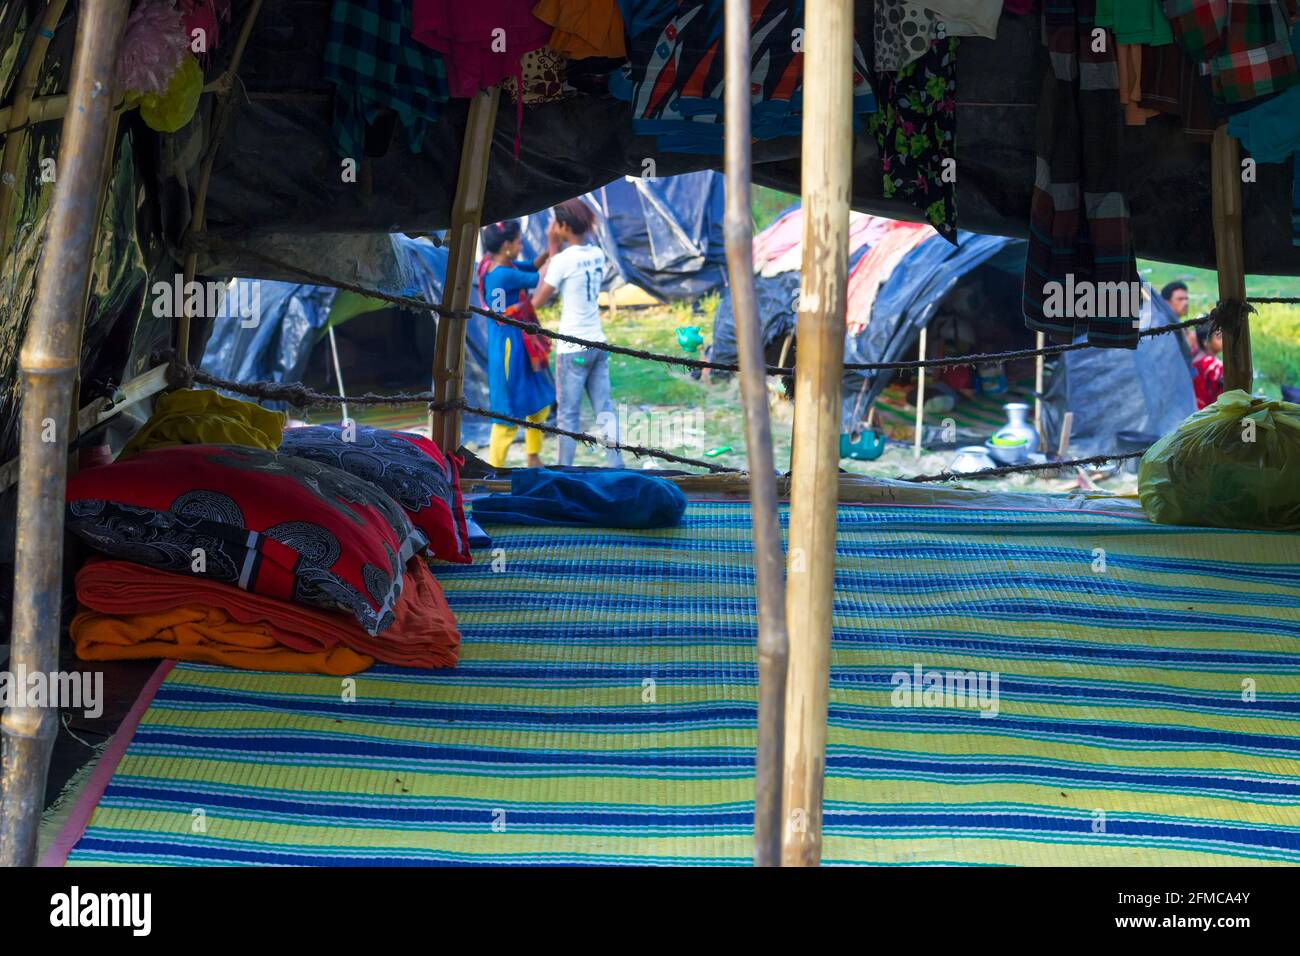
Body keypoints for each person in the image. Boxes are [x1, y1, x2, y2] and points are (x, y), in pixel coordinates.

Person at [532, 198, 624, 468]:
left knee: (568, 417)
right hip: (598, 343)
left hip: (573, 349)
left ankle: (565, 470)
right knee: (604, 410)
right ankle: (617, 465)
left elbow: (537, 300)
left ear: (562, 225)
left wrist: (551, 248)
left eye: (554, 223)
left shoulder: (562, 260)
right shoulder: (595, 253)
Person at [479, 219, 557, 469]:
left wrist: (547, 252)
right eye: (518, 240)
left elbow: (533, 266)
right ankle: (495, 469)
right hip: (509, 348)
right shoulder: (503, 274)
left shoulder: (493, 265)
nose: (521, 244)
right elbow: (540, 279)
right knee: (506, 414)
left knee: (539, 402)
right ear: (507, 245)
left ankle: (533, 457)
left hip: (518, 344)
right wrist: (554, 248)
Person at [1190, 321, 1225, 410]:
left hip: (1192, 409)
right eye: (1219, 336)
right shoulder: (1212, 365)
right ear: (1205, 342)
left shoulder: (1192, 356)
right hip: (1207, 413)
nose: (1224, 339)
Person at [1161, 281, 1193, 352]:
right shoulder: (1162, 326)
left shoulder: (1180, 327)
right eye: (1180, 299)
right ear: (1166, 302)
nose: (1186, 303)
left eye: (1186, 299)